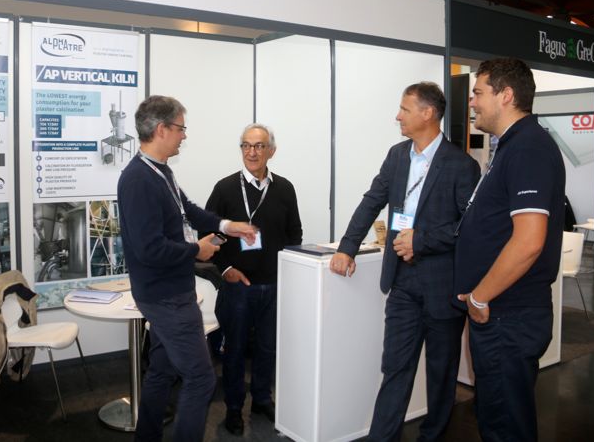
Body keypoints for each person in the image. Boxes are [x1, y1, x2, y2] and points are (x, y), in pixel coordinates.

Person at [329, 82, 480, 442]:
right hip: (402, 282)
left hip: (443, 287)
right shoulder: (397, 155)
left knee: (441, 375)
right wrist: (347, 247)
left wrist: (422, 240)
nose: (397, 116)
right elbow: (372, 200)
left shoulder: (461, 165)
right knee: (395, 367)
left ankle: (432, 436)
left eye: (404, 109)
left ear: (428, 113)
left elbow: (469, 227)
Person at [117, 95, 256, 442]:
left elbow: (188, 211)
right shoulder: (137, 180)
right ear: (162, 129)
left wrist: (227, 226)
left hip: (171, 290)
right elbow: (150, 249)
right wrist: (197, 250)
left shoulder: (159, 171)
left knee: (162, 371)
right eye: (181, 128)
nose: (185, 135)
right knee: (201, 378)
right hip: (165, 296)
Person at [454, 58, 565, 442]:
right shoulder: (513, 146)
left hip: (508, 316)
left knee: (505, 427)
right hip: (504, 316)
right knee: (499, 420)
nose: (472, 102)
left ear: (506, 95)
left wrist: (480, 297)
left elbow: (529, 241)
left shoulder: (528, 148)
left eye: (478, 93)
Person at [204, 123, 303, 436]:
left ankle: (261, 399)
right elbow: (209, 235)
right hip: (237, 286)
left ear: (271, 151)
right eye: (246, 145)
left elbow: (295, 233)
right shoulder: (224, 188)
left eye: (259, 146)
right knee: (234, 351)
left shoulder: (284, 188)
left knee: (267, 348)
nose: (252, 152)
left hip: (274, 285)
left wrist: (286, 270)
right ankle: (234, 408)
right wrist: (225, 269)